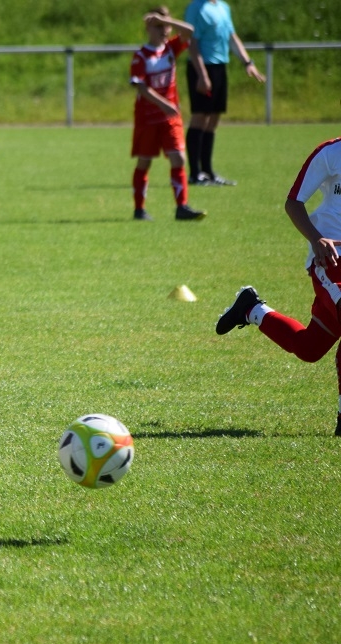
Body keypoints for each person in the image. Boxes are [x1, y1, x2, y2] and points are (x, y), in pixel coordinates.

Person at [216, 134, 341, 435]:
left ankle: (251, 308)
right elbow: (293, 202)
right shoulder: (330, 153)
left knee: (309, 348)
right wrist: (316, 239)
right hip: (332, 260)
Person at [129, 7, 205, 222]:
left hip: (170, 118)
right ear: (148, 28)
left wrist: (166, 19)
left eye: (166, 26)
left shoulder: (170, 48)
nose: (164, 30)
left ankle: (182, 207)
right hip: (148, 118)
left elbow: (190, 31)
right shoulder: (141, 56)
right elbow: (141, 87)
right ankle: (139, 209)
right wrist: (164, 104)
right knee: (144, 162)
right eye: (158, 26)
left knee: (178, 158)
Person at [183, 0, 264, 186]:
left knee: (213, 119)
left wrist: (247, 63)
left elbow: (231, 37)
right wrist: (202, 75)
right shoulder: (196, 8)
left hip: (220, 66)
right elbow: (192, 44)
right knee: (200, 117)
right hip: (202, 68)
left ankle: (208, 172)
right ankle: (195, 174)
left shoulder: (223, 7)